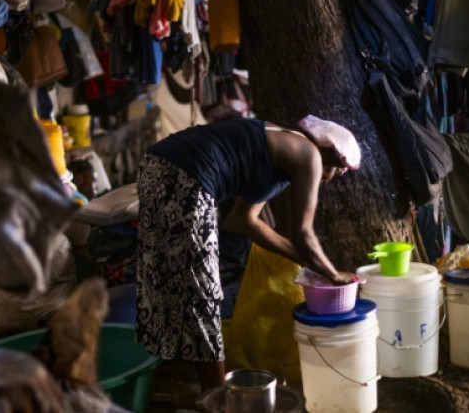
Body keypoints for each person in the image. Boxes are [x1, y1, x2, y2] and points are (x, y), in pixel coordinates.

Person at [135, 115, 361, 390]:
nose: (331, 179)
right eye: (337, 172)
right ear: (330, 155)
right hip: (185, 175)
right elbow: (303, 233)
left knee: (178, 283)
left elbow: (243, 221)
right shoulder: (309, 155)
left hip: (156, 165)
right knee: (202, 292)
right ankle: (219, 398)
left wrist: (308, 263)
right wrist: (333, 274)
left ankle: (190, 384)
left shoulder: (277, 155)